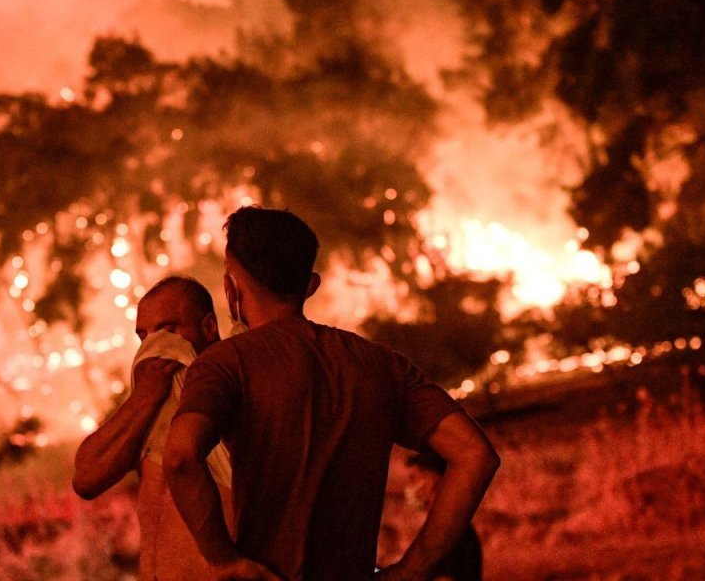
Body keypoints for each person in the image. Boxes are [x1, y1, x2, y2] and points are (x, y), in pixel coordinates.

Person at [164, 207, 501, 581]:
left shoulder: (225, 364)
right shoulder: (380, 364)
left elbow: (180, 457)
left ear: (230, 288)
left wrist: (222, 559)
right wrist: (413, 569)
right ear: (310, 285)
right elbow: (475, 454)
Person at [73, 276, 234, 581]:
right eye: (143, 336)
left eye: (168, 331)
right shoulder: (149, 406)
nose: (154, 347)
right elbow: (86, 478)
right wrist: (143, 397)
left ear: (209, 328)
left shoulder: (232, 392)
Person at [405, 452, 483, 581]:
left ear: (431, 481)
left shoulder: (447, 531)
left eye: (414, 478)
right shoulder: (451, 527)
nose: (408, 487)